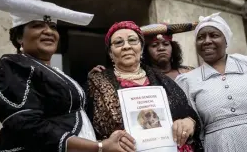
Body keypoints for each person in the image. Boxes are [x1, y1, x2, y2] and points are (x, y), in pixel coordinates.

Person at [0, 0, 135, 152]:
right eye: (38, 25)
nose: (48, 31)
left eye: (53, 26)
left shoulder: (56, 72)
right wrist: (98, 147)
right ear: (19, 37)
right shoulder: (12, 66)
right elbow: (27, 126)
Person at [87, 21, 203, 152]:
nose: (126, 47)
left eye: (132, 40)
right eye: (118, 43)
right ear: (110, 52)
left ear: (141, 48)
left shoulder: (162, 79)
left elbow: (190, 114)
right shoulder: (97, 82)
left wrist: (189, 123)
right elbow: (86, 130)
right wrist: (105, 144)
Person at [175, 12, 247, 152]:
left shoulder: (245, 65)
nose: (207, 41)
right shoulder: (187, 81)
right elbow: (191, 123)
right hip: (218, 146)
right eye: (201, 37)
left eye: (214, 35)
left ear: (226, 40)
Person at [90, 22, 197, 80]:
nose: (161, 48)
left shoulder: (190, 72)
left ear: (173, 47)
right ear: (143, 51)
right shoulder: (140, 77)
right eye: (154, 45)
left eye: (166, 44)